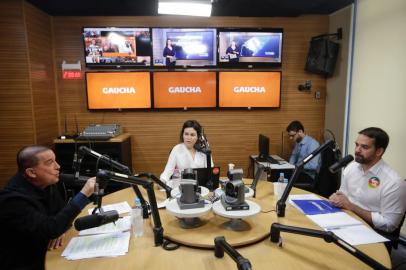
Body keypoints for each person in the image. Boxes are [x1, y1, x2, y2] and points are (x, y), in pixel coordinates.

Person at [0, 145, 96, 270]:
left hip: (48, 250)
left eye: (55, 160)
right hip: (24, 262)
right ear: (31, 172)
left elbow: (60, 217)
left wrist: (61, 228)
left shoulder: (45, 183)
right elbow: (52, 228)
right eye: (50, 163)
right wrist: (83, 194)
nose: (58, 166)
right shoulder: (12, 201)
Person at [329, 127, 406, 249]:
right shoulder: (352, 167)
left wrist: (351, 206)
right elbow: (343, 194)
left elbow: (389, 224)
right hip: (345, 221)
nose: (357, 150)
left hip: (372, 232)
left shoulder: (394, 182)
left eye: (364, 147)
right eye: (357, 145)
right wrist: (337, 197)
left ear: (379, 151)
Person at [286, 120, 321, 187]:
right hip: (298, 172)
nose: (290, 138)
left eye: (292, 136)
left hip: (308, 176)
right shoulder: (298, 142)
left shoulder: (312, 144)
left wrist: (296, 167)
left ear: (300, 132)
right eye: (289, 135)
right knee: (278, 173)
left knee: (282, 178)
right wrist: (290, 166)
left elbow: (314, 165)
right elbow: (294, 156)